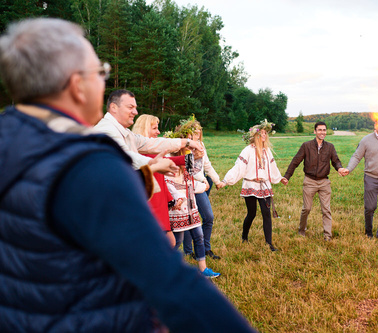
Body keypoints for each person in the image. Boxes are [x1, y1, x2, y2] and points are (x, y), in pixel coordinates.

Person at [0, 18, 255, 332]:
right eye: (100, 72)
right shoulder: (88, 163)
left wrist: (184, 142)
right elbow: (167, 279)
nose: (103, 82)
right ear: (76, 84)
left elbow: (145, 142)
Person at [218, 120, 287, 251]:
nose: (264, 136)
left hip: (264, 184)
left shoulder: (267, 151)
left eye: (265, 133)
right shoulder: (247, 150)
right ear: (255, 135)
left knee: (266, 213)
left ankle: (269, 243)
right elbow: (238, 168)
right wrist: (226, 180)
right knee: (252, 213)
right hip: (250, 184)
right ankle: (244, 237)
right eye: (262, 133)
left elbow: (273, 167)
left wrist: (280, 178)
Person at [94, 89, 204, 171]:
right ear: (114, 107)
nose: (135, 112)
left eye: (135, 108)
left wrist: (186, 142)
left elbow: (150, 143)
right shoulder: (106, 130)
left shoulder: (125, 132)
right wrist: (153, 163)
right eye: (130, 107)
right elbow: (124, 156)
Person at [164, 134, 221, 278]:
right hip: (179, 210)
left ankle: (203, 269)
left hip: (191, 208)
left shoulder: (188, 164)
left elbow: (191, 183)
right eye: (188, 150)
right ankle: (165, 268)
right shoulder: (170, 165)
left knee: (199, 236)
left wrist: (203, 184)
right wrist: (176, 197)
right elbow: (169, 185)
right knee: (177, 241)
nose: (191, 152)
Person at [283, 121, 344, 241]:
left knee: (326, 210)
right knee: (307, 208)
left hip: (324, 182)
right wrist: (287, 176)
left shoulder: (330, 147)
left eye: (324, 130)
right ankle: (301, 230)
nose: (322, 132)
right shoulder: (306, 146)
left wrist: (340, 168)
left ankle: (327, 235)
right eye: (320, 130)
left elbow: (335, 161)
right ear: (315, 131)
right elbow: (295, 161)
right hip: (310, 181)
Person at [339, 122, 378, 246]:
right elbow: (356, 156)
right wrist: (348, 168)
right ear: (375, 125)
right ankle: (368, 232)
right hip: (371, 179)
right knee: (370, 208)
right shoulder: (366, 140)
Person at [175, 116, 223, 260]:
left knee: (208, 217)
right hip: (187, 187)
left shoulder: (201, 146)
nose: (196, 135)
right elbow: (187, 170)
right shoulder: (181, 147)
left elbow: (206, 166)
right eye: (193, 132)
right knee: (189, 219)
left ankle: (205, 249)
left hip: (200, 187)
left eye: (198, 132)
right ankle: (189, 251)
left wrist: (217, 180)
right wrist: (203, 180)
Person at [132, 114, 176, 247]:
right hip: (151, 205)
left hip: (160, 204)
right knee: (165, 244)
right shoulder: (141, 155)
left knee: (169, 243)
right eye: (154, 128)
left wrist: (170, 197)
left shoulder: (153, 153)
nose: (158, 132)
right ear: (145, 129)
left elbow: (161, 180)